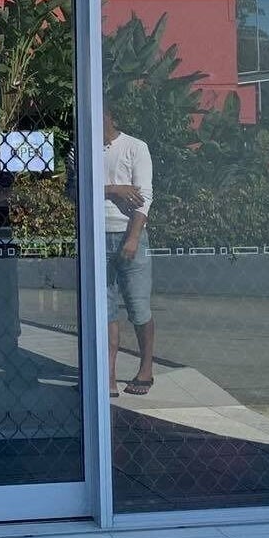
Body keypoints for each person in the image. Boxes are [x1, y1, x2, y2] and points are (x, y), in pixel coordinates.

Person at [103, 109, 156, 395]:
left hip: (128, 233)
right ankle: (108, 375)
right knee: (105, 309)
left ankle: (146, 369)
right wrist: (114, 189)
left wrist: (133, 238)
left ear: (111, 118)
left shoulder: (135, 147)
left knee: (138, 306)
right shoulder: (80, 150)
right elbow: (75, 190)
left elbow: (144, 196)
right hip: (96, 235)